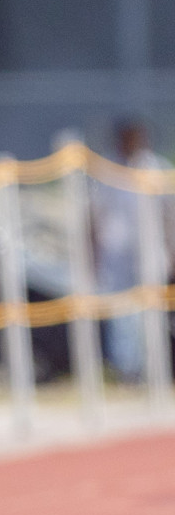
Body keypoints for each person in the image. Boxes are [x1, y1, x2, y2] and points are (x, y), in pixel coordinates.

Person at [92, 117, 172, 381]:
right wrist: (92, 255)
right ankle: (127, 372)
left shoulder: (155, 168)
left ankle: (155, 369)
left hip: (150, 253)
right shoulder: (105, 170)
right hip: (116, 255)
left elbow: (168, 216)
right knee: (122, 314)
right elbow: (93, 217)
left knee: (152, 314)